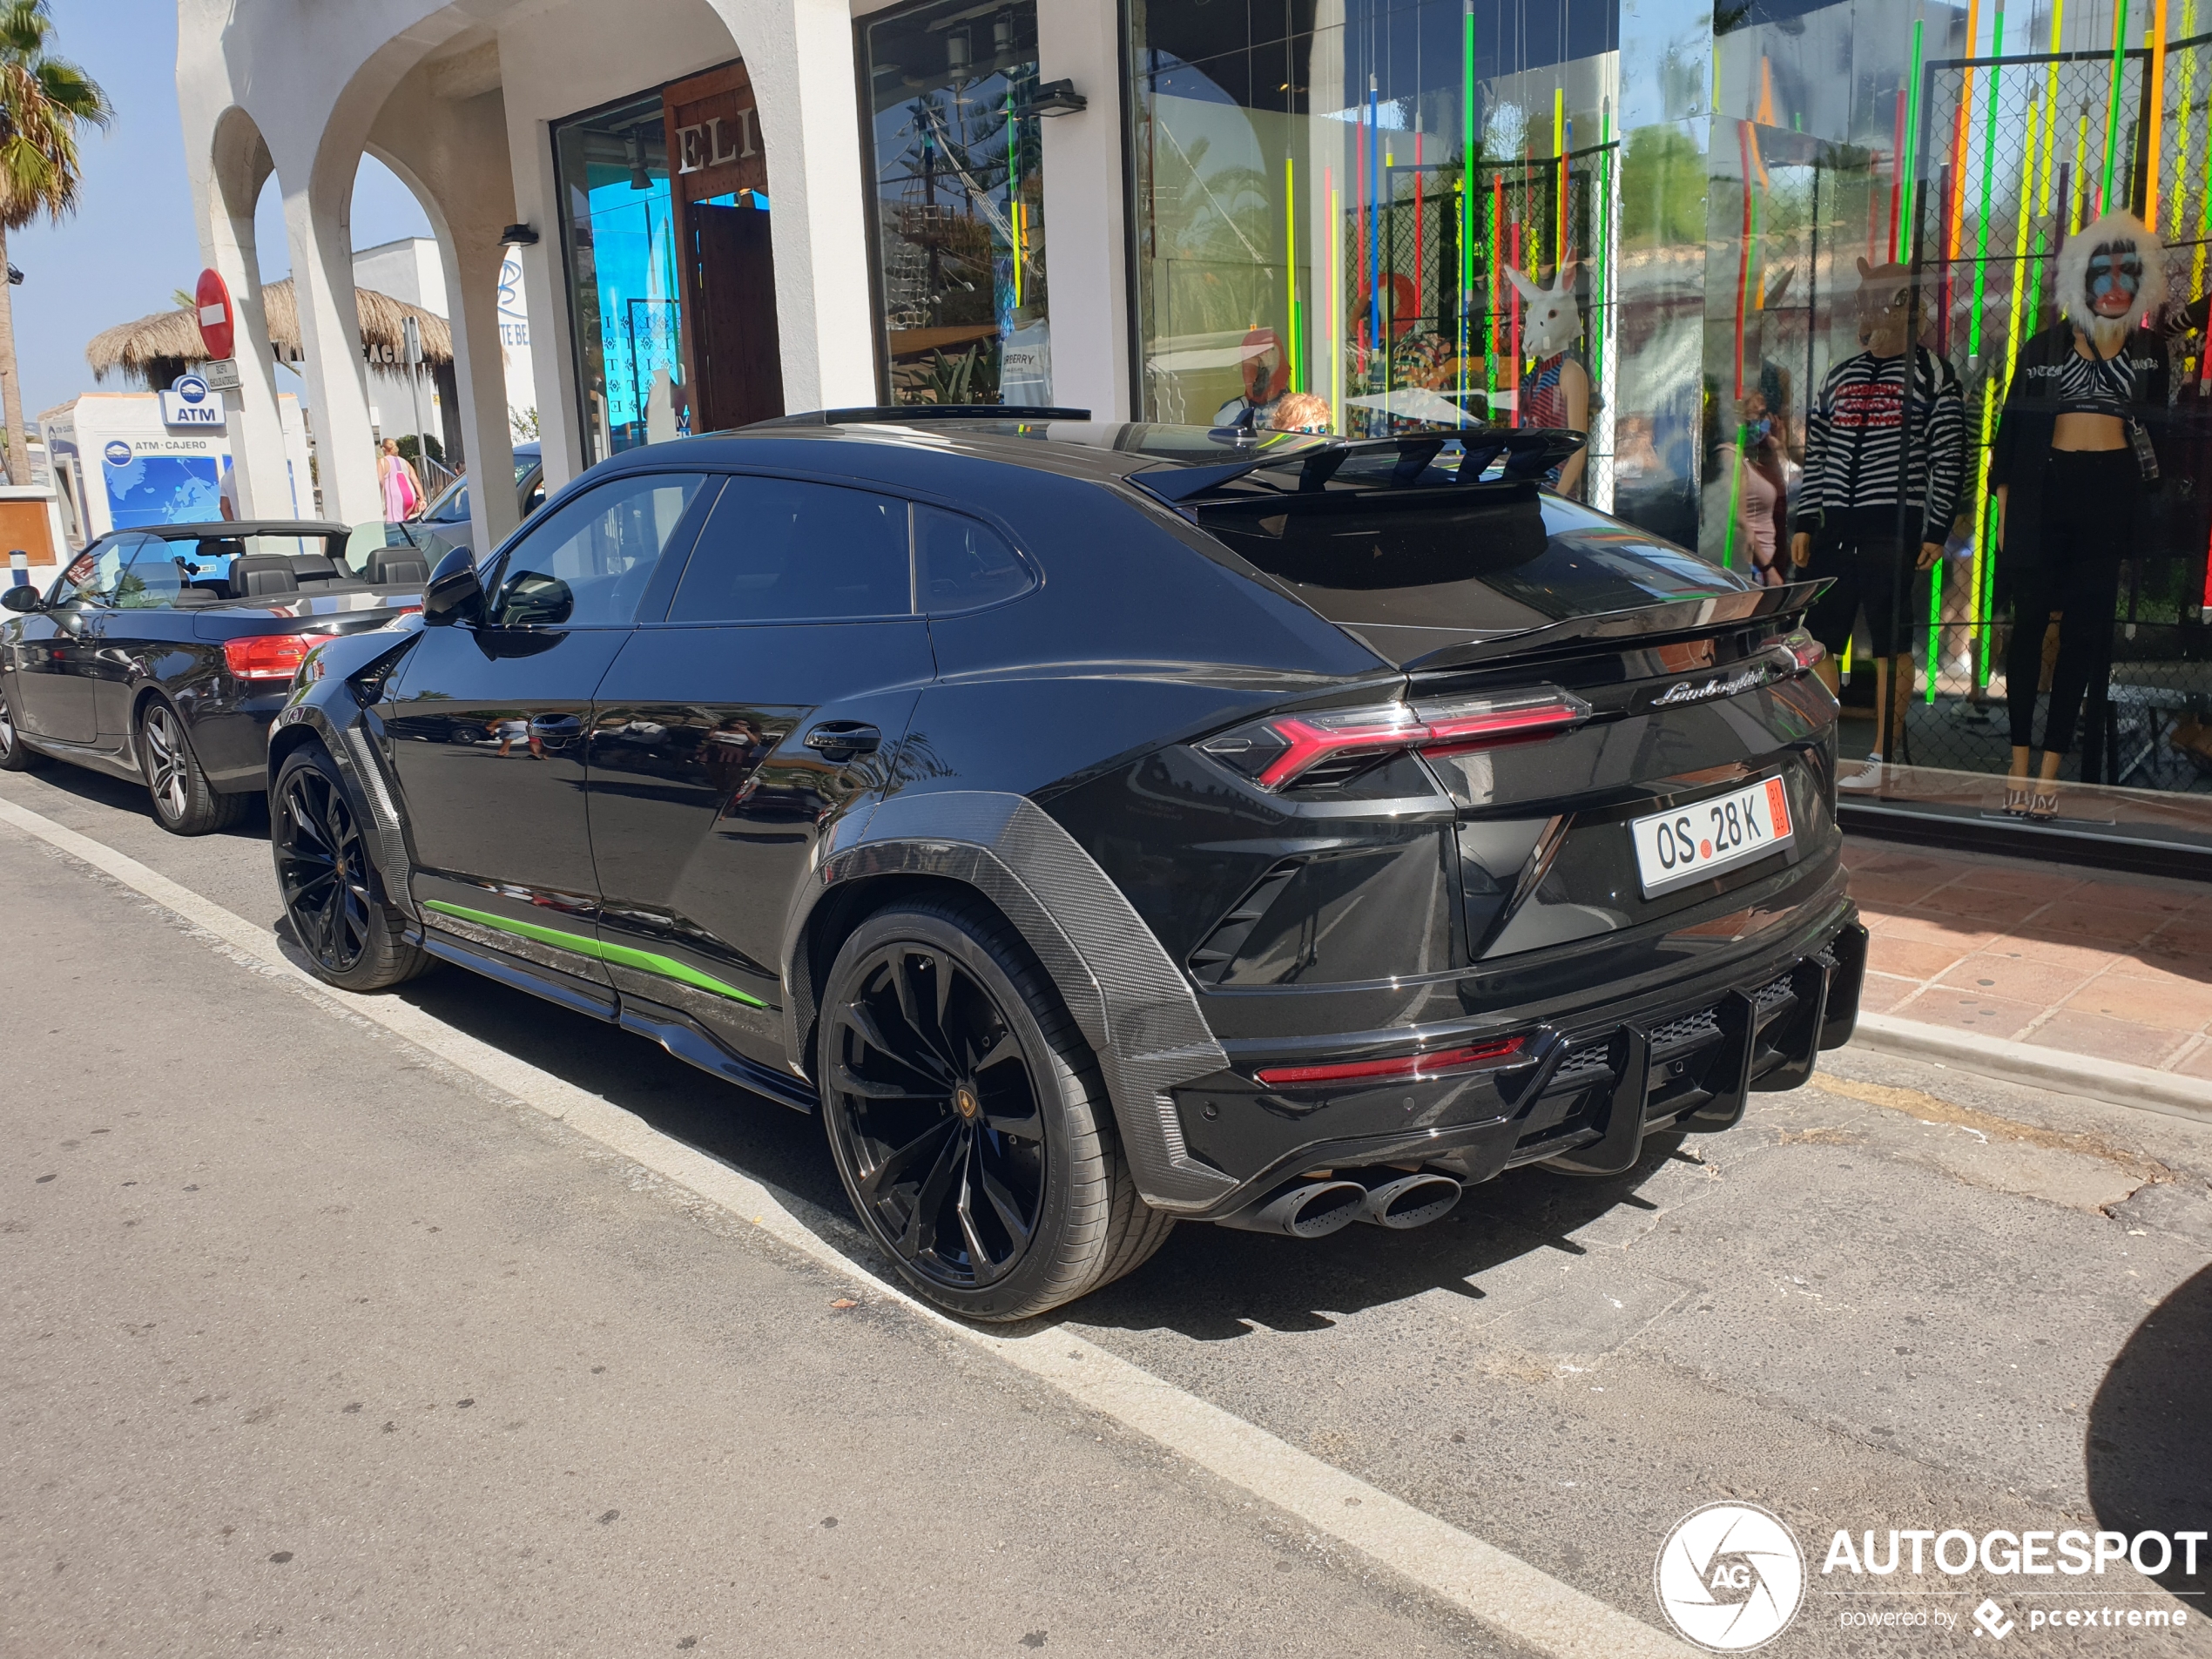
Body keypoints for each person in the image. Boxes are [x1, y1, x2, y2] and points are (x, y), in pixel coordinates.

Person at [1987, 210, 2168, 819]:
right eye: (2102, 272)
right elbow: (2008, 442)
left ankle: (2050, 775)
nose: (2115, 284)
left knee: (2083, 637)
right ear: (2079, 279)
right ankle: (2016, 763)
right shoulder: (2044, 345)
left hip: (2108, 496)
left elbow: (2159, 443)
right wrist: (2010, 525)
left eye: (2127, 272)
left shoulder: (2149, 352)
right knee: (2029, 627)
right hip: (2047, 491)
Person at [1790, 257, 1966, 792]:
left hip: (1894, 524)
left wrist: (1935, 529)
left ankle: (1884, 756)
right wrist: (1805, 519)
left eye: (1878, 301)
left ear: (1907, 306)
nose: (1865, 314)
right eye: (1863, 302)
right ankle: (1830, 750)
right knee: (1821, 639)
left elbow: (1949, 454)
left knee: (1892, 640)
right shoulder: (1839, 375)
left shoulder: (1934, 374)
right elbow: (1817, 453)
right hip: (1836, 525)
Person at [378, 437, 423, 524]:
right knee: (407, 524)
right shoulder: (405, 462)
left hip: (395, 497)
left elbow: (380, 481)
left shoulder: (382, 462)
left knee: (395, 526)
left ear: (383, 448)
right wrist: (422, 499)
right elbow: (416, 482)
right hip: (410, 496)